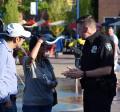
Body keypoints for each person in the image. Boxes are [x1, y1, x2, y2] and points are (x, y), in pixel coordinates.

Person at [62, 15, 117, 112]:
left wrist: (83, 73)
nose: (77, 31)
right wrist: (77, 72)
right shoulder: (87, 43)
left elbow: (107, 69)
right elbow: (89, 66)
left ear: (86, 28)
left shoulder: (103, 41)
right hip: (90, 90)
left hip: (101, 91)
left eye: (78, 29)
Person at [0, 23, 31, 112]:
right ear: (17, 39)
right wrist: (6, 99)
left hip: (8, 99)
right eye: (23, 38)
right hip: (5, 102)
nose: (24, 41)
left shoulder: (7, 50)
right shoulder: (3, 51)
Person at [22, 36, 58, 112]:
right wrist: (39, 41)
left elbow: (55, 80)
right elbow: (32, 58)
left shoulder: (46, 62)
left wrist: (52, 83)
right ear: (35, 47)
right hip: (31, 105)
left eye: (45, 45)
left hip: (47, 103)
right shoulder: (26, 60)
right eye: (42, 45)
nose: (45, 47)